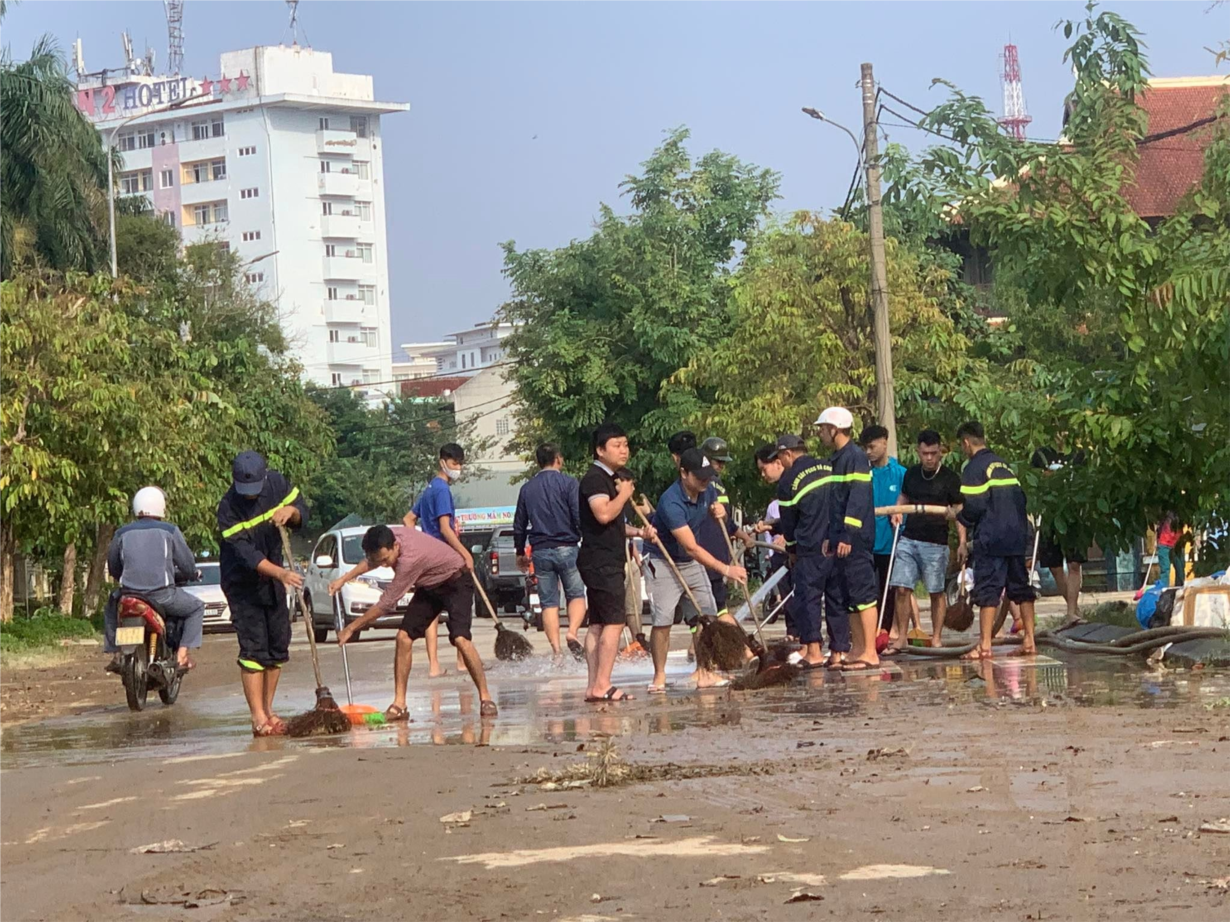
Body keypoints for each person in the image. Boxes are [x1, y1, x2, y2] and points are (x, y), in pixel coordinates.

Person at [330, 524, 496, 719]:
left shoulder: (409, 560)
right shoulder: (392, 537)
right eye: (380, 561)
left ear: (396, 547)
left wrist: (351, 628)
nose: (384, 565)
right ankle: (399, 704)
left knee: (460, 639)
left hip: (456, 582)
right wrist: (344, 579)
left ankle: (486, 698)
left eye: (386, 560)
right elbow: (370, 562)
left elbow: (386, 603)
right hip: (429, 586)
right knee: (403, 638)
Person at [217, 451, 309, 737]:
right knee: (254, 649)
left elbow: (303, 510)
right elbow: (247, 555)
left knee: (277, 646)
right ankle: (258, 716)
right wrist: (281, 574)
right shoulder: (228, 509)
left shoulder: (278, 485)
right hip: (242, 584)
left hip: (272, 582)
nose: (249, 497)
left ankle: (269, 709)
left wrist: (291, 513)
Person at [645, 447, 752, 692]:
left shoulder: (709, 490)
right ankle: (659, 676)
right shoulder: (670, 502)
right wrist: (726, 569)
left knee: (708, 616)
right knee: (663, 621)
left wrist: (721, 514)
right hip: (665, 561)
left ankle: (705, 670)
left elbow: (719, 515)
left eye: (708, 476)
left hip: (690, 563)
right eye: (699, 477)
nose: (705, 481)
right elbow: (691, 548)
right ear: (684, 473)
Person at [577, 423, 655, 702]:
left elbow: (614, 525)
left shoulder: (610, 479)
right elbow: (602, 514)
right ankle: (602, 684)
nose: (624, 450)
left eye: (625, 444)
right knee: (614, 622)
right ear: (600, 450)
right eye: (616, 445)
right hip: (600, 562)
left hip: (605, 557)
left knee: (597, 624)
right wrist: (624, 493)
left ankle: (593, 686)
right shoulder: (596, 479)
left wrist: (638, 532)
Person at [955, 421, 1037, 660]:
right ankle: (1030, 640)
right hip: (1017, 535)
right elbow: (1020, 499)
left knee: (988, 591)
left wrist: (959, 516)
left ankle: (985, 645)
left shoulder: (973, 468)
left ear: (967, 443)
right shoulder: (1004, 465)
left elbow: (975, 505)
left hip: (992, 538)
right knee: (1021, 589)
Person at [103, 487, 204, 674]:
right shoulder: (170, 531)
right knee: (196, 607)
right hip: (163, 596)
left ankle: (115, 653)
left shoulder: (121, 533)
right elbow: (187, 564)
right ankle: (182, 655)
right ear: (161, 507)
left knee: (111, 605)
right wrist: (192, 573)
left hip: (129, 595)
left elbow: (114, 566)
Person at [886, 430, 966, 652]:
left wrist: (961, 541)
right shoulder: (911, 474)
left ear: (941, 451)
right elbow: (904, 496)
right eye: (925, 454)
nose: (929, 458)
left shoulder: (950, 478)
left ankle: (937, 637)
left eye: (933, 453)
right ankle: (902, 636)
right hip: (909, 539)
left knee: (935, 591)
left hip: (936, 543)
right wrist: (897, 510)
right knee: (901, 588)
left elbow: (960, 511)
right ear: (918, 452)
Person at [774, 433, 846, 669]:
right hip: (836, 543)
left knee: (808, 599)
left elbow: (789, 524)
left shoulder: (788, 481)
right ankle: (838, 652)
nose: (781, 463)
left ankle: (813, 651)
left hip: (810, 548)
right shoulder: (829, 466)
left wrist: (792, 550)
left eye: (781, 458)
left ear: (788, 454)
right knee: (836, 598)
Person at [817, 407, 880, 672]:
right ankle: (856, 650)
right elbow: (836, 502)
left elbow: (857, 499)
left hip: (855, 540)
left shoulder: (855, 457)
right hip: (841, 539)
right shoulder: (838, 458)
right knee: (850, 596)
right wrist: (830, 536)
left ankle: (870, 652)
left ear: (835, 429)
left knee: (863, 594)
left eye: (823, 428)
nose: (820, 433)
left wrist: (847, 535)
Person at [513, 443, 584, 661]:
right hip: (568, 547)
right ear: (558, 459)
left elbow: (519, 523)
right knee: (576, 594)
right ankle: (572, 632)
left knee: (549, 603)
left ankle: (557, 652)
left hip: (541, 550)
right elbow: (578, 514)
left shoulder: (527, 489)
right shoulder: (570, 483)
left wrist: (519, 551)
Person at [403, 443, 469, 676]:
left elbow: (408, 519)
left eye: (460, 464)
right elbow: (445, 528)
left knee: (430, 612)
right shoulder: (441, 490)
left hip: (428, 561)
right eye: (454, 463)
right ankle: (462, 662)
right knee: (458, 609)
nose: (457, 468)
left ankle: (434, 665)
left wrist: (417, 546)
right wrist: (464, 553)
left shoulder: (429, 488)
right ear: (443, 462)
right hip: (445, 560)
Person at [698, 436, 756, 618]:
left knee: (710, 606)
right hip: (710, 552)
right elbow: (725, 521)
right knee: (714, 606)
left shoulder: (706, 484)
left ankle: (699, 644)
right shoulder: (712, 484)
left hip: (713, 554)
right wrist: (744, 536)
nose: (721, 466)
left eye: (723, 462)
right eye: (718, 462)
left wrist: (744, 536)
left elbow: (726, 521)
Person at [1031, 446, 1088, 625]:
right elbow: (1034, 480)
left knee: (1074, 563)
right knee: (1054, 565)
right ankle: (1073, 607)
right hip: (1049, 514)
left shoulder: (1079, 453)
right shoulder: (1041, 454)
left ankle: (1071, 611)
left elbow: (1084, 481)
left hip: (1073, 513)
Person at [861, 425, 906, 632]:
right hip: (867, 543)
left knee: (889, 590)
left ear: (885, 442)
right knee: (867, 592)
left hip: (891, 542)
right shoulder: (862, 474)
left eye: (872, 446)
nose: (868, 452)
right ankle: (867, 631)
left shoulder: (901, 474)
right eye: (865, 448)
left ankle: (886, 631)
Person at [754, 443, 793, 635]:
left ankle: (809, 643)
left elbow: (804, 517)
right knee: (787, 593)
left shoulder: (791, 483)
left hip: (801, 549)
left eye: (764, 469)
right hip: (783, 552)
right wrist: (770, 526)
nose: (763, 475)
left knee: (802, 595)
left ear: (778, 463)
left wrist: (787, 536)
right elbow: (787, 519)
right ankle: (793, 633)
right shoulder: (782, 488)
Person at [1157, 512, 1185, 587]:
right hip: (1164, 545)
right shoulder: (1167, 519)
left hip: (1176, 545)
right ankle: (1163, 588)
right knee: (1165, 568)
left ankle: (1180, 587)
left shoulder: (1181, 519)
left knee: (1180, 567)